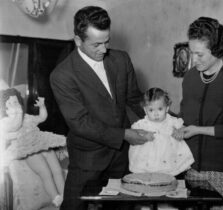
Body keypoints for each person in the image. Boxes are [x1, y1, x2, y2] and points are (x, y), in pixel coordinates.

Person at [50, 6, 154, 210]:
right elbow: (80, 123)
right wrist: (124, 134)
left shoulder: (121, 60)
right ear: (78, 40)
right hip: (87, 157)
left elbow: (135, 98)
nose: (104, 50)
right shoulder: (62, 75)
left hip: (121, 156)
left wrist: (167, 118)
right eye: (96, 44)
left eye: (107, 42)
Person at [178, 17, 223, 209]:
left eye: (200, 55)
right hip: (191, 169)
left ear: (217, 50)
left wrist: (198, 130)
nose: (194, 60)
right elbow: (184, 117)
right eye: (191, 52)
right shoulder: (190, 78)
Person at [0, 88, 66, 207]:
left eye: (16, 102)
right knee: (45, 172)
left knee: (57, 170)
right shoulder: (6, 122)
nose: (14, 105)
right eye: (9, 103)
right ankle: (55, 197)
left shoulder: (27, 117)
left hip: (42, 143)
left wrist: (42, 107)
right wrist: (16, 124)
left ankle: (64, 194)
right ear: (4, 107)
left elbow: (42, 118)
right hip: (29, 150)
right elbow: (7, 132)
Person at [129, 87, 194, 176]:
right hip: (148, 159)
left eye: (160, 109)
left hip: (169, 156)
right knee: (146, 176)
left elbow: (183, 128)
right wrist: (144, 136)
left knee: (170, 175)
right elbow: (134, 134)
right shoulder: (142, 124)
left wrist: (179, 131)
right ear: (145, 110)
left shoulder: (171, 120)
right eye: (151, 110)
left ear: (167, 108)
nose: (156, 114)